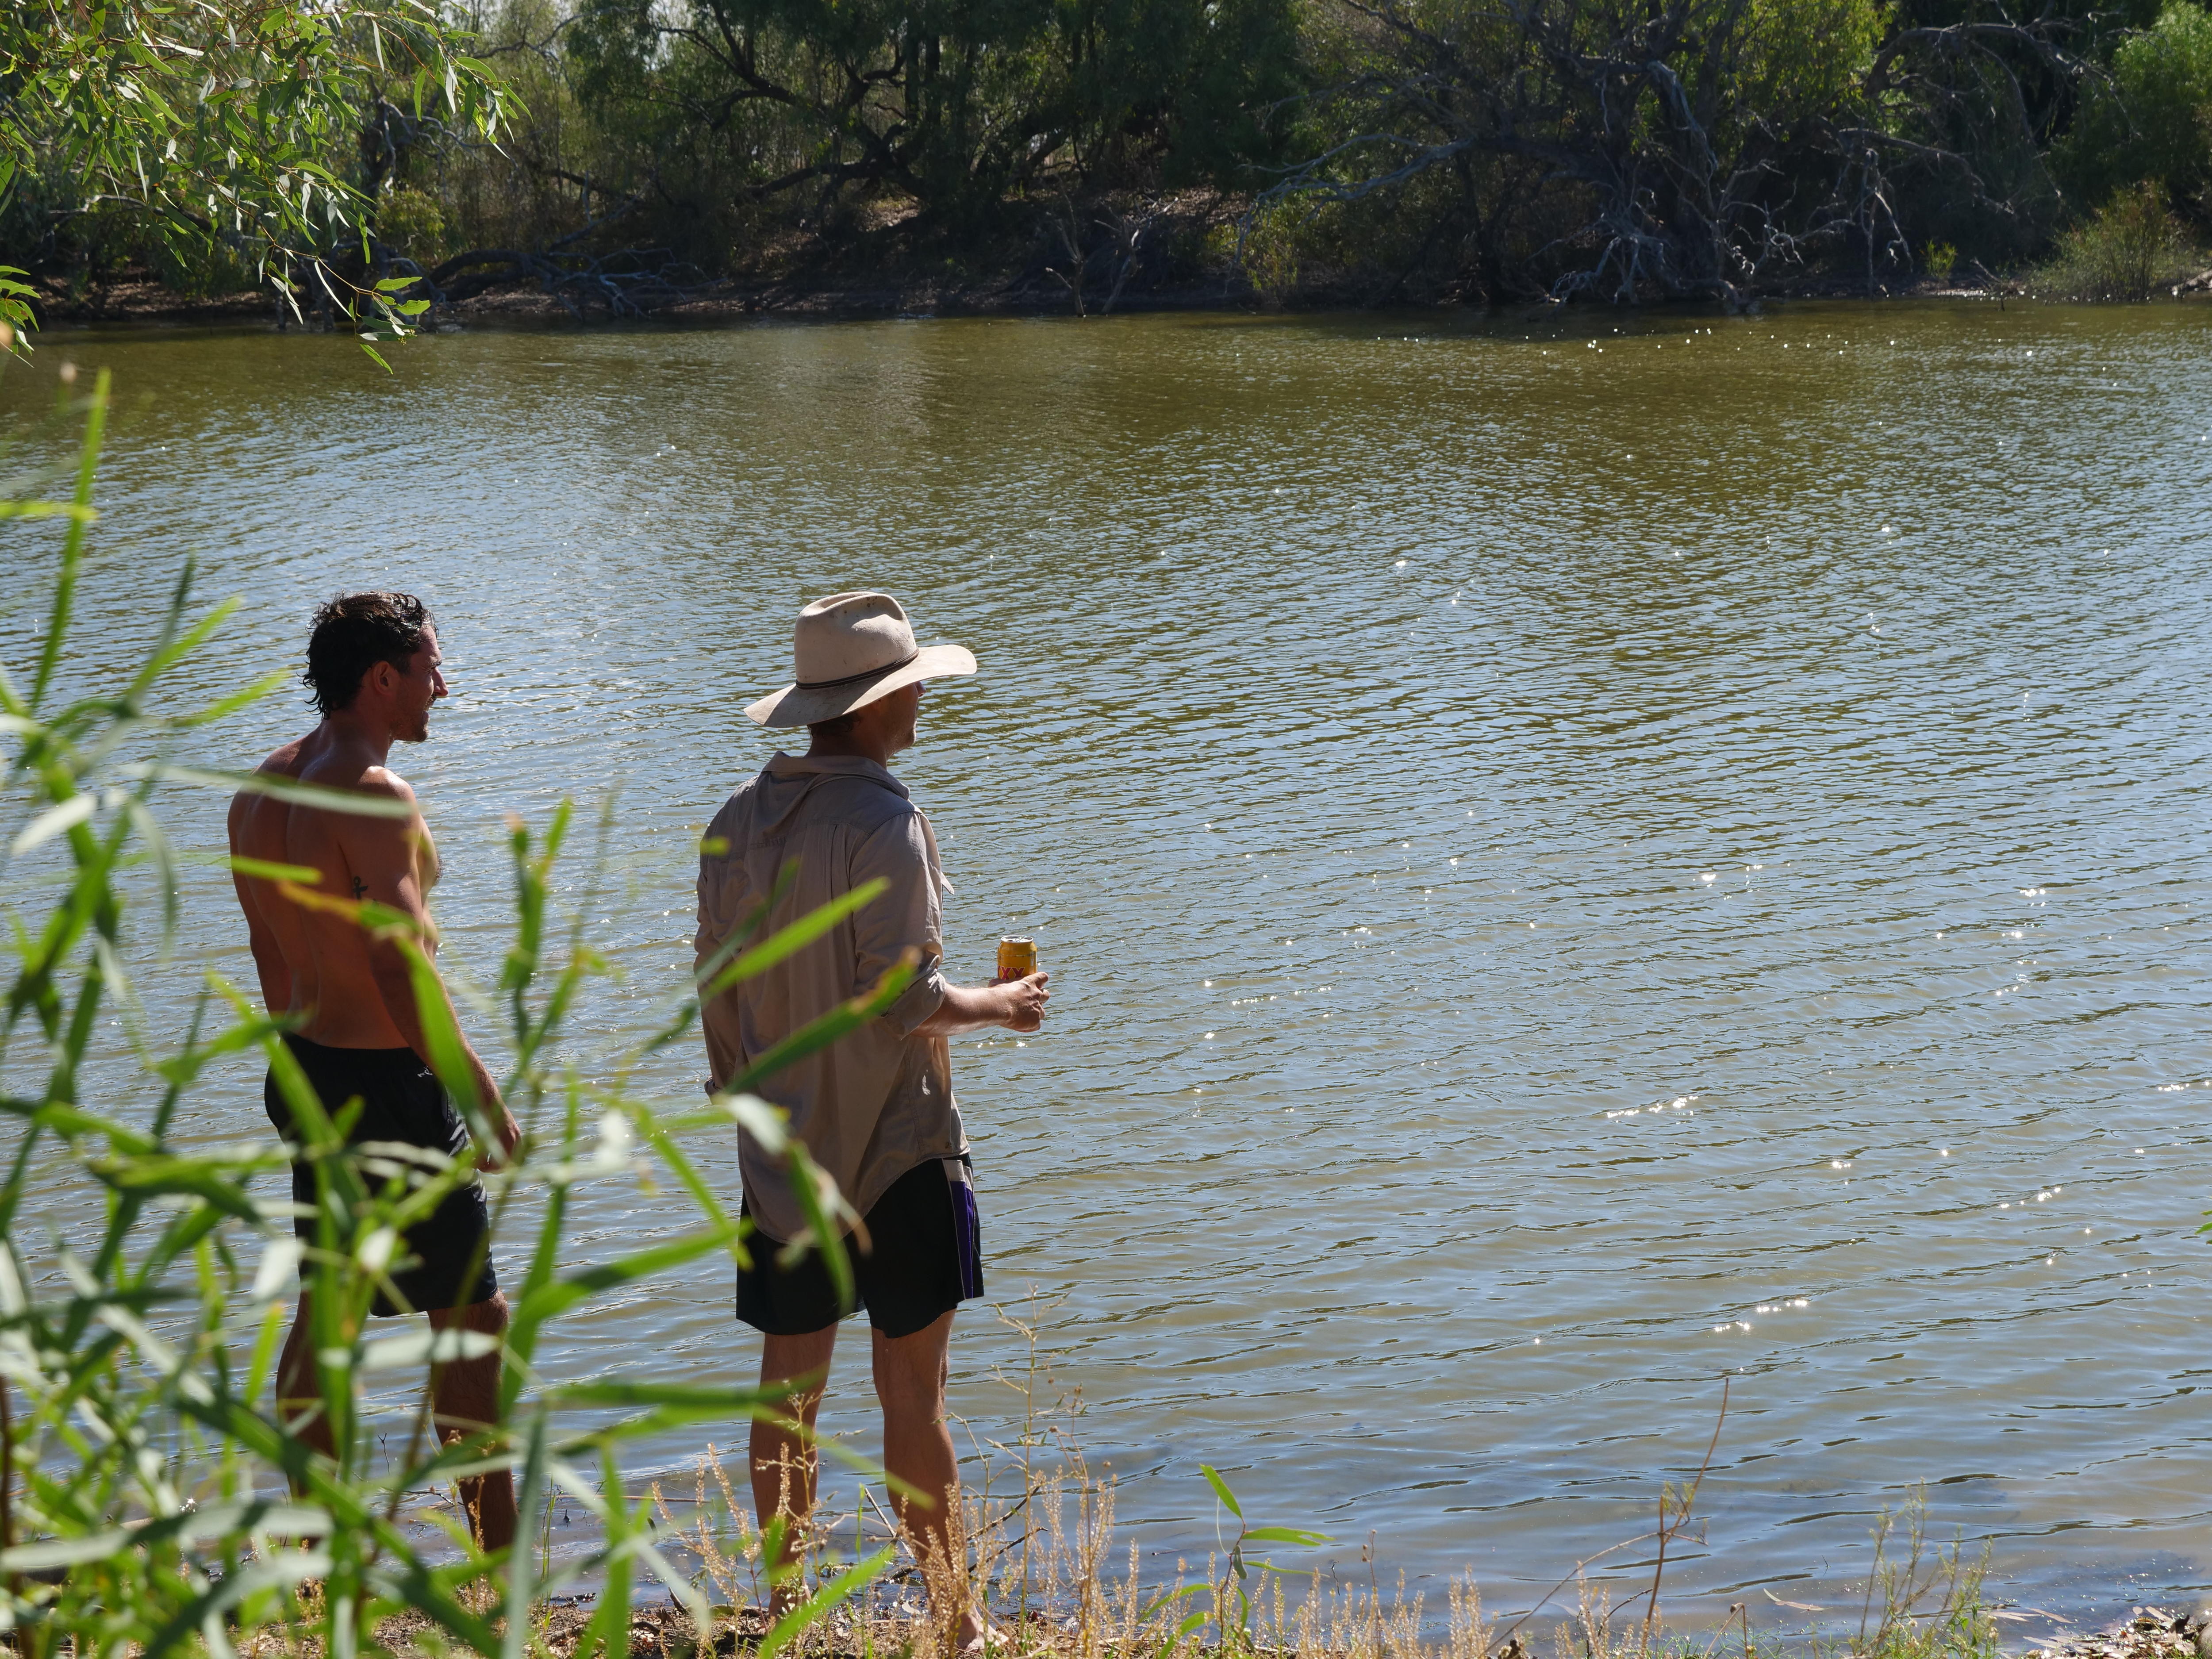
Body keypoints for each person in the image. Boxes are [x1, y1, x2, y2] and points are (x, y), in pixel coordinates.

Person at [696, 591, 1050, 1647]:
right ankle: (956, 1624)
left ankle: (781, 1610)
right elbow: (903, 1000)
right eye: (913, 690)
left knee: (788, 1395)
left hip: (781, 1152)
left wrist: (746, 1102)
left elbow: (714, 989)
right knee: (913, 1397)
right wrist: (1002, 1007)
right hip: (898, 1148)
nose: (921, 706)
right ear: (884, 699)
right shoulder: (888, 820)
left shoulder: (736, 819)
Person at [228, 591, 521, 1552]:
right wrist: (479, 1099)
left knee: (329, 1310)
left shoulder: (264, 792)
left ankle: (309, 1557)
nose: (444, 685)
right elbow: (402, 963)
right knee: (473, 1323)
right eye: (431, 668)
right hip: (390, 1085)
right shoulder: (373, 794)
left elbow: (274, 960)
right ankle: (504, 1571)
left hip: (308, 1074)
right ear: (381, 678)